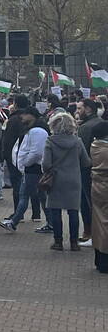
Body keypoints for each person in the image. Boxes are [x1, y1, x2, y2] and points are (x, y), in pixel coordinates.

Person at [42, 112, 88, 252]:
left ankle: (58, 242)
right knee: (73, 212)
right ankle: (74, 243)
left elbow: (46, 164)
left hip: (56, 180)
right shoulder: (77, 141)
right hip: (74, 179)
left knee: (55, 211)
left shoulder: (50, 141)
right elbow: (86, 162)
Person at [0, 108, 50, 232]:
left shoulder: (37, 131)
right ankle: (51, 223)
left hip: (33, 169)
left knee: (24, 195)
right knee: (39, 196)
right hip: (33, 168)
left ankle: (14, 222)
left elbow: (36, 152)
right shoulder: (34, 129)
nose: (21, 117)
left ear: (31, 115)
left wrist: (25, 162)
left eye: (24, 114)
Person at [75, 98, 103, 245]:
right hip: (100, 169)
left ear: (88, 109)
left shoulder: (85, 128)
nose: (77, 112)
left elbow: (81, 152)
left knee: (86, 202)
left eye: (80, 108)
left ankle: (89, 232)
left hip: (86, 170)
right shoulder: (101, 123)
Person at [89, 121, 108, 273]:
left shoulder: (95, 146)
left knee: (98, 221)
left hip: (97, 187)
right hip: (105, 187)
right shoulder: (105, 149)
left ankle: (100, 259)